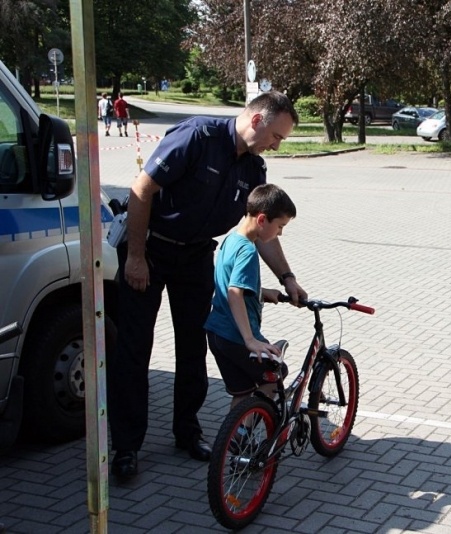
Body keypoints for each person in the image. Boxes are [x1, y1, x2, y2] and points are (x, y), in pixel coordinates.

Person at [108, 91, 304, 481]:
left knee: (195, 345)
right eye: (277, 136)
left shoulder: (254, 169)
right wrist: (135, 256)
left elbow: (261, 232)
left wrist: (288, 277)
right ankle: (126, 446)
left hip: (196, 256)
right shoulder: (197, 137)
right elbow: (141, 190)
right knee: (133, 347)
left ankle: (187, 432)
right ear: (257, 121)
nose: (276, 145)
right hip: (150, 247)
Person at [205, 184, 295, 414]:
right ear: (263, 219)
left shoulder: (232, 240)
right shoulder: (247, 250)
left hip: (217, 333)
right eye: (280, 226)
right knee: (276, 375)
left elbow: (230, 283)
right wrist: (249, 340)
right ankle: (254, 433)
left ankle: (236, 441)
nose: (280, 233)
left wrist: (261, 291)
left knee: (243, 391)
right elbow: (235, 292)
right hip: (236, 336)